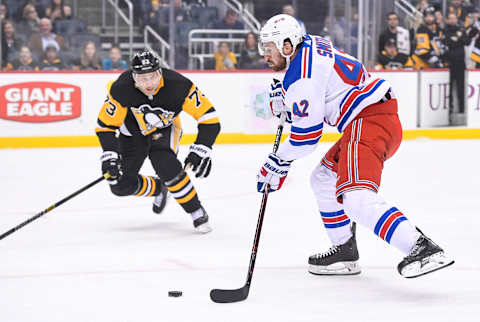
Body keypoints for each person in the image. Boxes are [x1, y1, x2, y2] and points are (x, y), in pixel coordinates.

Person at [256, 14, 454, 278]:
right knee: (323, 178)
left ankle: (421, 247)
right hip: (372, 116)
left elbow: (307, 137)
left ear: (287, 45)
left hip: (369, 120)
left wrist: (277, 161)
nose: (264, 54)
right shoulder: (309, 47)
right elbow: (320, 98)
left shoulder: (301, 75)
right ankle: (344, 248)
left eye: (269, 48)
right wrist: (289, 103)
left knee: (356, 198)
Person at [95, 50, 220, 233]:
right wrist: (110, 156)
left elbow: (209, 118)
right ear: (134, 77)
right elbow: (105, 126)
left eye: (152, 77)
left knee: (166, 166)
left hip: (164, 129)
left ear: (159, 72)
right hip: (132, 133)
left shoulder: (179, 85)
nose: (149, 83)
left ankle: (195, 210)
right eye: (143, 78)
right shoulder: (122, 87)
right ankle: (159, 188)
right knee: (120, 185)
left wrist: (202, 148)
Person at [443, 11, 477, 118]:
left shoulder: (460, 30)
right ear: (447, 20)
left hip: (460, 64)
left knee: (461, 88)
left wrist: (469, 34)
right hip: (448, 64)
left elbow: (466, 41)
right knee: (448, 89)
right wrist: (460, 38)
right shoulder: (444, 31)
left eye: (454, 18)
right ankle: (449, 111)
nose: (453, 20)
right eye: (451, 18)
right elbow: (449, 42)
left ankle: (462, 110)